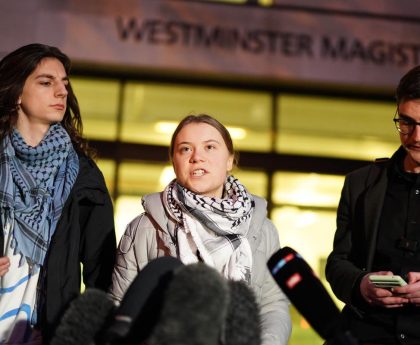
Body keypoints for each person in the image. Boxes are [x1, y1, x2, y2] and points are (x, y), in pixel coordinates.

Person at [110, 114, 291, 345]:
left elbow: (272, 305)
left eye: (210, 147)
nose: (197, 157)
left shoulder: (263, 230)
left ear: (229, 160)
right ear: (174, 161)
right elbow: (120, 303)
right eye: (185, 149)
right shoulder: (143, 229)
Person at [0, 43, 116, 344]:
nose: (62, 92)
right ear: (16, 93)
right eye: (46, 82)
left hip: (48, 331)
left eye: (64, 84)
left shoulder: (84, 177)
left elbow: (101, 272)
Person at [326, 65, 420, 345]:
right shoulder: (360, 184)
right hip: (363, 335)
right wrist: (361, 285)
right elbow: (338, 262)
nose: (415, 136)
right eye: (406, 123)